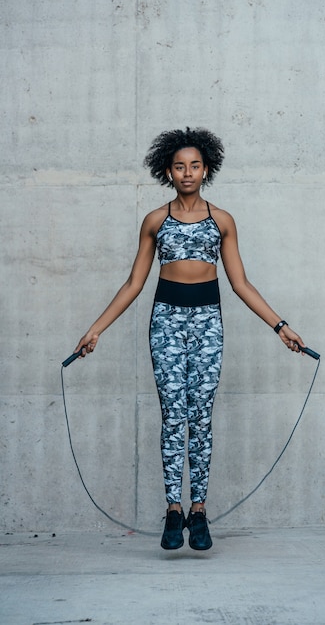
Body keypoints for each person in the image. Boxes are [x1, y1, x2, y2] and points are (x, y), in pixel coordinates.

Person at [74, 127, 306, 551]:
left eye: (195, 165)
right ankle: (173, 509)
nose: (187, 172)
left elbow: (241, 284)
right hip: (166, 322)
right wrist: (95, 329)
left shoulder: (222, 221)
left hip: (208, 323)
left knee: (200, 418)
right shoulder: (155, 221)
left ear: (206, 170)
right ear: (168, 171)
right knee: (173, 417)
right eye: (179, 166)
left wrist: (280, 326)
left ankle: (199, 511)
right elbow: (132, 284)